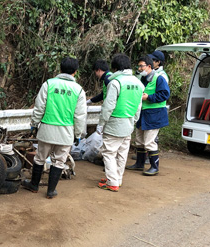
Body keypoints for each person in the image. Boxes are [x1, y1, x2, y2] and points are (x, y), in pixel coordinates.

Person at [21, 57, 87, 198]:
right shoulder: (79, 90)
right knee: (59, 161)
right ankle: (51, 191)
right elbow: (80, 116)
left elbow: (39, 107)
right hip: (66, 133)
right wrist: (78, 134)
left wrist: (34, 124)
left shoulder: (49, 84)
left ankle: (34, 185)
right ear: (75, 72)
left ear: (60, 69)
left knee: (40, 158)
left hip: (47, 130)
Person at [96, 53, 144, 192]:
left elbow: (108, 106)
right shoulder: (138, 83)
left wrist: (101, 124)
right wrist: (133, 121)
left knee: (109, 153)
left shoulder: (115, 83)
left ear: (115, 68)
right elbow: (138, 107)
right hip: (128, 123)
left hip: (114, 124)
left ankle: (112, 182)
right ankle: (117, 178)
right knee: (122, 153)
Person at [125, 55, 170, 176]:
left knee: (149, 141)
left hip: (154, 115)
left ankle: (155, 167)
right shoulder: (142, 78)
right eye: (138, 66)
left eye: (141, 66)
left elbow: (165, 94)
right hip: (142, 114)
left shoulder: (159, 78)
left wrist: (148, 97)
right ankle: (139, 164)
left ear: (149, 66)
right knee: (139, 140)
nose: (139, 68)